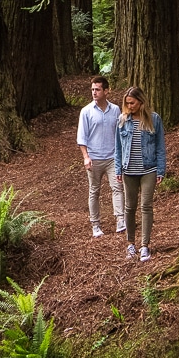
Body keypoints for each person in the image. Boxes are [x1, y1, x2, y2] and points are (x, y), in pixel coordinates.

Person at [114, 86, 166, 262]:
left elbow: (160, 147)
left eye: (133, 103)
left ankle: (145, 245)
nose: (130, 106)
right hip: (129, 170)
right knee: (129, 207)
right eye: (127, 103)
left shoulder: (154, 119)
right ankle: (130, 243)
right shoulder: (122, 120)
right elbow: (118, 148)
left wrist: (161, 169)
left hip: (148, 169)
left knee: (146, 206)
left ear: (141, 101)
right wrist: (118, 168)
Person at [75, 75, 124, 238]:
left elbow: (119, 133)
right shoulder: (86, 111)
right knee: (94, 191)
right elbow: (82, 137)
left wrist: (121, 155)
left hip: (112, 157)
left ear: (106, 91)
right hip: (94, 158)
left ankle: (120, 219)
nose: (94, 93)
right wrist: (85, 157)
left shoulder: (115, 110)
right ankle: (95, 224)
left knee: (117, 188)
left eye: (97, 89)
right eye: (92, 90)